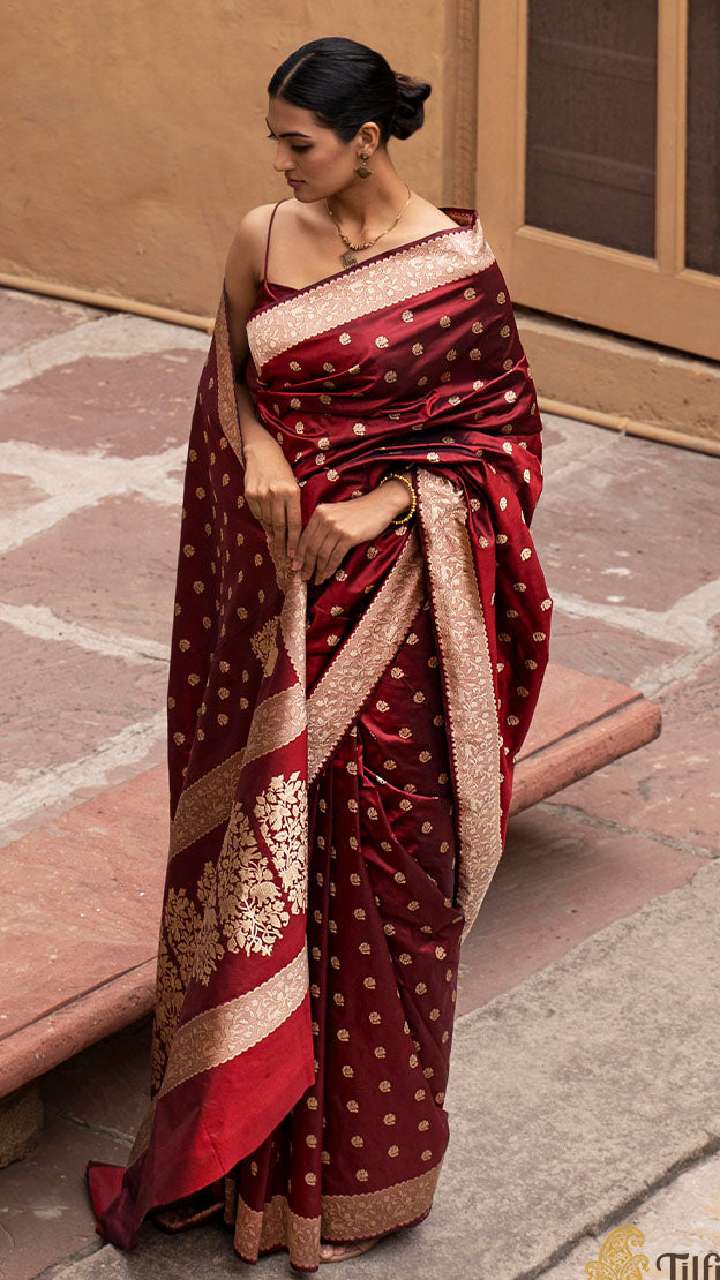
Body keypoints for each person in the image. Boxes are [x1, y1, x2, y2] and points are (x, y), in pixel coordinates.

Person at [85, 34, 552, 1273]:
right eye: (276, 141)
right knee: (266, 872)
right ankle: (246, 1170)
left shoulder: (456, 269)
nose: (281, 163)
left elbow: (507, 443)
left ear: (367, 140)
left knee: (383, 876)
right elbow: (232, 377)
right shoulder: (260, 238)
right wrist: (257, 448)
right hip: (276, 609)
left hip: (396, 616)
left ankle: (355, 1181)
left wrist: (388, 502)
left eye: (299, 143)